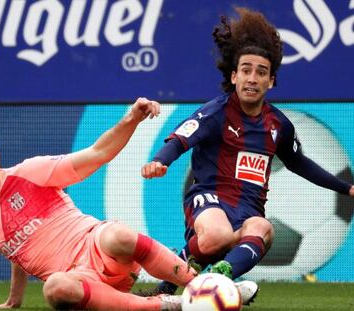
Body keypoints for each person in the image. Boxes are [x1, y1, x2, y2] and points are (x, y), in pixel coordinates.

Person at [141, 7, 354, 302]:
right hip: (210, 199)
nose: (253, 78)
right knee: (216, 237)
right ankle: (198, 280)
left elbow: (299, 163)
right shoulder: (216, 112)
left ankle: (221, 277)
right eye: (246, 70)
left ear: (271, 82)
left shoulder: (279, 125)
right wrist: (159, 161)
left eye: (261, 72)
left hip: (248, 210)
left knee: (263, 228)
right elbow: (180, 139)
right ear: (234, 75)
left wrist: (346, 187)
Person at [0, 98, 199, 311]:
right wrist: (15, 297)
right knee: (55, 289)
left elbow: (98, 153)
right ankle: (165, 305)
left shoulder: (29, 172)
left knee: (119, 234)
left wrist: (132, 118)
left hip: (97, 246)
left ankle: (200, 285)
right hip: (77, 280)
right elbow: (15, 246)